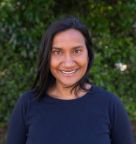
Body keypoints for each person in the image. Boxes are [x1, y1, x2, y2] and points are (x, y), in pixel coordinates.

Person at [7, 16, 134, 144]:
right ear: (47, 57)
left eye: (77, 51)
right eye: (57, 52)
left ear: (88, 55)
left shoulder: (110, 105)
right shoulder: (27, 104)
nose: (68, 63)